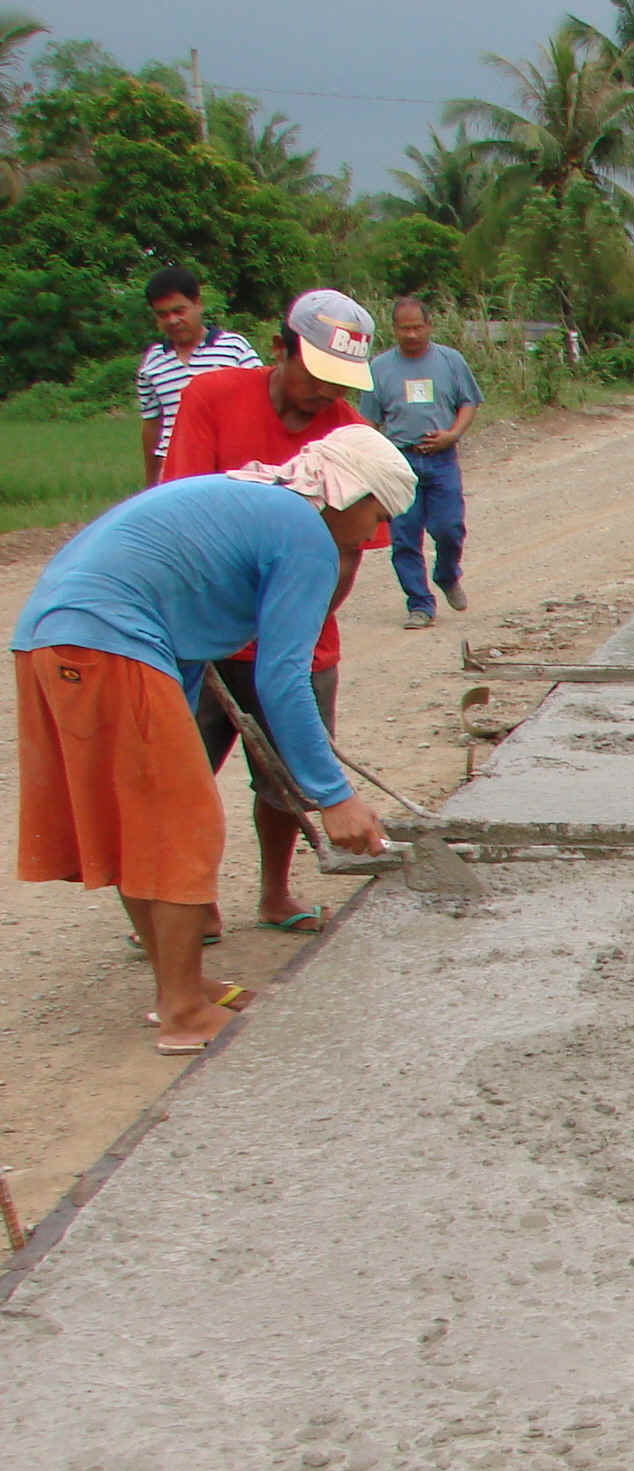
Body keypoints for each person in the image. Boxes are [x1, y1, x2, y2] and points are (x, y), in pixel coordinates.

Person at [13, 427, 406, 1054]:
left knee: (143, 818)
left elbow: (191, 624)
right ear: (346, 491)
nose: (370, 534)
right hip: (106, 639)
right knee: (180, 824)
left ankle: (184, 985)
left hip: (50, 637)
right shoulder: (304, 531)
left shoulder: (254, 497)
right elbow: (283, 677)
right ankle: (183, 1014)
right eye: (376, 514)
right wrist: (332, 796)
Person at [159, 289, 381, 937]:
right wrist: (232, 621)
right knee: (181, 772)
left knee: (282, 781)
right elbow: (187, 517)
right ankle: (181, 899)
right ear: (281, 347)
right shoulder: (212, 397)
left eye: (341, 383)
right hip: (204, 625)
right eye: (317, 376)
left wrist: (291, 624)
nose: (327, 395)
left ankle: (275, 894)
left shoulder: (351, 436)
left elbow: (346, 557)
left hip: (302, 634)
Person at [359, 296, 483, 629]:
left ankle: (446, 575)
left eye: (417, 327)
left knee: (449, 528)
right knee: (404, 537)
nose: (411, 335)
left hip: (442, 459)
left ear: (428, 326)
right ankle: (419, 604)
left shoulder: (450, 361)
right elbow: (368, 420)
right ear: (394, 329)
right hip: (399, 462)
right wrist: (373, 458)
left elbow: (469, 402)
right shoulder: (379, 368)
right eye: (404, 328)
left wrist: (452, 435)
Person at [135, 266, 262, 488]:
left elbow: (264, 402)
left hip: (229, 469)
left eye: (179, 311)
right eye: (163, 314)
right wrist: (152, 483)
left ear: (198, 304)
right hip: (174, 471)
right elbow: (152, 426)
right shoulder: (152, 361)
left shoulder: (233, 348)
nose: (173, 320)